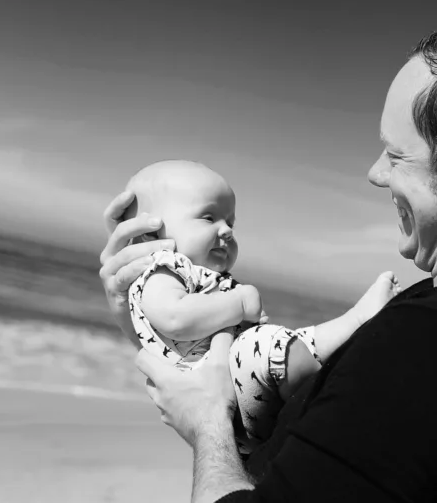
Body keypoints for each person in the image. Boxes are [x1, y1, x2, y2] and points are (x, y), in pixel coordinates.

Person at [98, 18, 437, 502]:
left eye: (396, 155)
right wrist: (136, 313)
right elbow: (301, 444)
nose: (376, 174)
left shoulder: (435, 348)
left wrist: (208, 427)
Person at [121, 159, 401, 451]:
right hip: (220, 391)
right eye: (208, 218)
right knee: (274, 346)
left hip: (242, 378)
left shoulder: (204, 275)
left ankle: (357, 319)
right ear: (152, 234)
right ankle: (329, 411)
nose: (227, 231)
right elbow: (173, 318)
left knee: (298, 342)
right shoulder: (162, 269)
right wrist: (240, 302)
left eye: (230, 222)